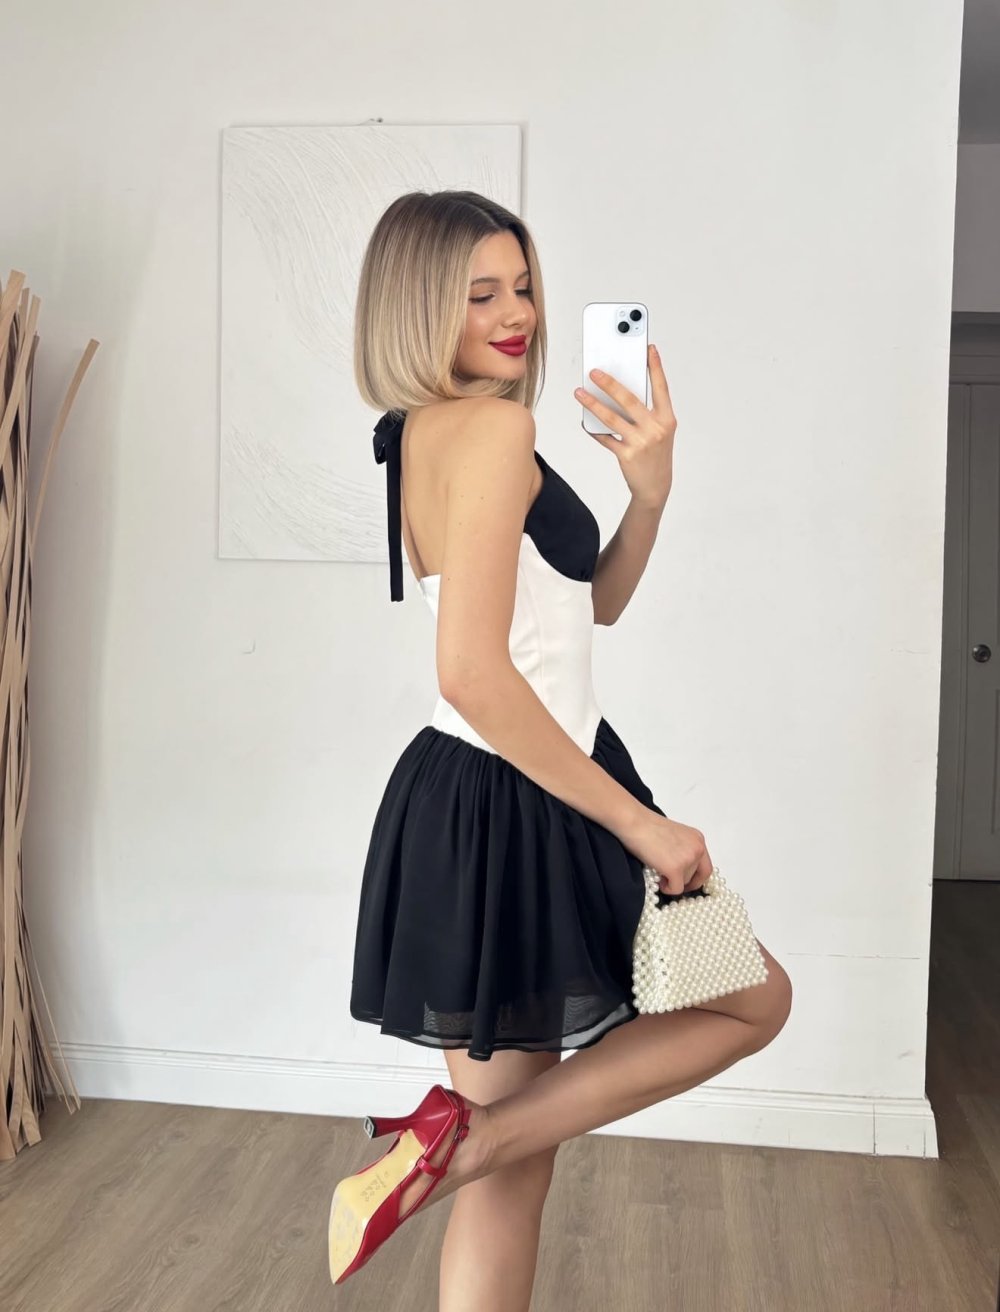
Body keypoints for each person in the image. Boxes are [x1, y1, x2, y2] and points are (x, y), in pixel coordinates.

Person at [330, 190, 793, 1304]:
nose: (517, 314)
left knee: (513, 1162)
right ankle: (468, 1141)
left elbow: (593, 609)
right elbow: (471, 671)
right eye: (480, 294)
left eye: (524, 287)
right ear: (415, 307)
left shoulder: (429, 431)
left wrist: (649, 496)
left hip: (502, 787)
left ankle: (459, 1142)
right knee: (753, 1001)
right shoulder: (491, 431)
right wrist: (640, 824)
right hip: (520, 790)